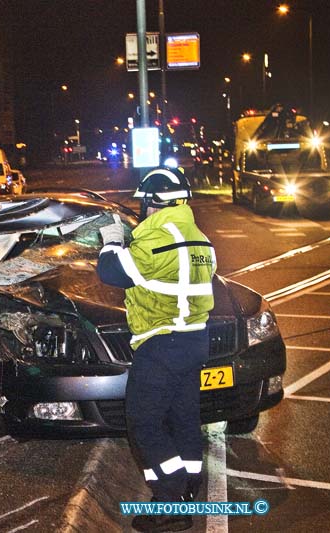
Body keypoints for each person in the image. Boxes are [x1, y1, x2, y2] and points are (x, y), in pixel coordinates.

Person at [96, 166, 216, 533]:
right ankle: (189, 486)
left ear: (154, 202)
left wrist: (112, 241)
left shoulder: (156, 240)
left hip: (162, 344)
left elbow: (111, 273)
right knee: (183, 418)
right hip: (194, 339)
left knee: (144, 424)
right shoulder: (201, 240)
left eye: (144, 202)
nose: (142, 209)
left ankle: (169, 503)